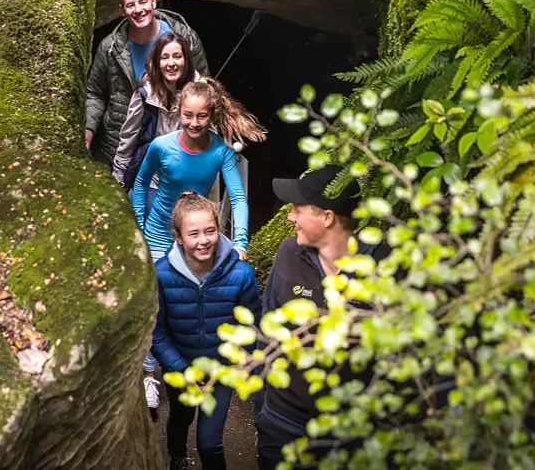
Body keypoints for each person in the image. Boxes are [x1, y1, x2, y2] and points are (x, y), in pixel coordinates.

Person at [134, 76, 264, 415]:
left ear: (211, 115)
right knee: (155, 304)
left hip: (197, 234)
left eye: (201, 116)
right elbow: (140, 185)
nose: (194, 123)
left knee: (189, 302)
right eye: (188, 115)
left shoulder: (220, 151)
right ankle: (150, 374)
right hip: (159, 235)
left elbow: (237, 196)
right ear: (178, 112)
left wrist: (240, 241)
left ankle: (193, 368)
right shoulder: (161, 146)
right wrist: (136, 227)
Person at [256, 165, 378, 470]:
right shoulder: (287, 253)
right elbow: (266, 328)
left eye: (298, 209)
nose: (289, 217)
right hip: (283, 427)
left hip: (349, 439)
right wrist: (264, 408)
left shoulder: (383, 269)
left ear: (327, 217)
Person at [152, 192, 262, 470]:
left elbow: (251, 326)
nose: (203, 240)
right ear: (178, 237)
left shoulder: (241, 275)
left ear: (219, 230)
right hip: (180, 368)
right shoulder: (161, 275)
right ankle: (177, 456)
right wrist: (181, 368)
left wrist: (237, 363)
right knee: (180, 417)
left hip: (220, 371)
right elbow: (156, 330)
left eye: (210, 231)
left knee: (209, 443)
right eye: (194, 233)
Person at [85, 0, 208, 168]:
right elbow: (95, 93)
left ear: (153, 2)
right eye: (130, 5)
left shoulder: (185, 39)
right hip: (122, 146)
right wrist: (88, 129)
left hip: (175, 144)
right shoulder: (110, 48)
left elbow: (204, 87)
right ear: (122, 10)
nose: (138, 10)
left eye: (143, 2)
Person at [112, 30, 199, 194]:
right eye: (164, 57)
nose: (171, 63)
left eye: (177, 56)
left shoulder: (199, 93)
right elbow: (128, 138)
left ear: (186, 60)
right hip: (150, 180)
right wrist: (118, 178)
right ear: (157, 62)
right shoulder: (145, 94)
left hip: (187, 182)